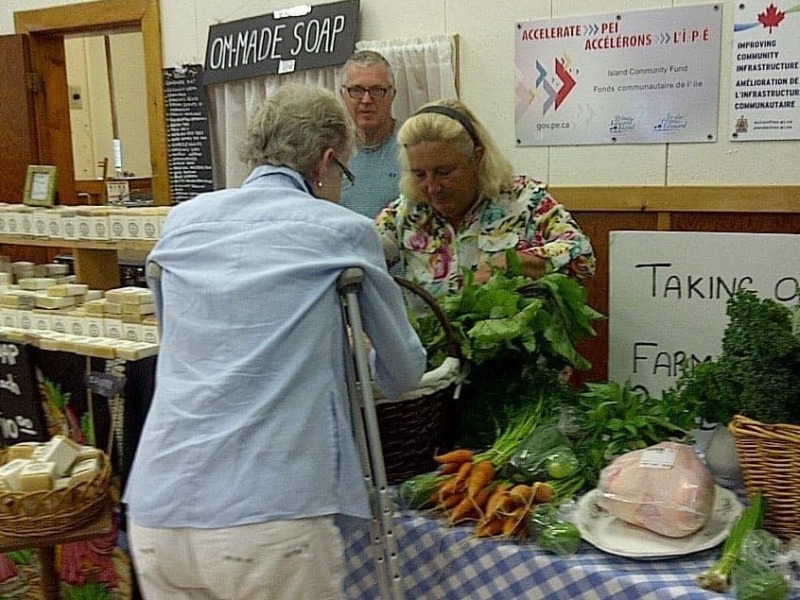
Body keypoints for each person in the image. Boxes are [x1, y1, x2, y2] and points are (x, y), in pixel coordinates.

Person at [122, 83, 427, 600]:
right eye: (342, 174)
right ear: (326, 161)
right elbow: (404, 370)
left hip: (158, 509)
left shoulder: (183, 223)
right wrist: (357, 372)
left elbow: (174, 341)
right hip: (270, 515)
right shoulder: (343, 230)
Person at [376, 98, 596, 297]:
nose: (432, 188)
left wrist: (511, 264)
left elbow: (582, 254)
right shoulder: (405, 213)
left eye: (444, 172)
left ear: (476, 158)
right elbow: (360, 250)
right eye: (419, 174)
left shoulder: (525, 200)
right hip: (427, 341)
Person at [338, 49, 400, 218]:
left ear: (393, 94)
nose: (366, 100)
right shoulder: (330, 153)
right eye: (356, 90)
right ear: (342, 94)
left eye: (377, 90)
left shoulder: (412, 147)